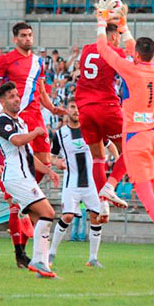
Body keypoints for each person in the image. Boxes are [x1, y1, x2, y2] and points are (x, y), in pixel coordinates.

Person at [96, 14, 154, 263]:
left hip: (136, 139)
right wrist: (124, 27)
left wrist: (102, 22)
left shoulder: (130, 69)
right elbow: (134, 49)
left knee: (144, 194)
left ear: (137, 55)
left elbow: (103, 48)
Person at [0, 82, 60, 278]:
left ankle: (42, 267)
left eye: (17, 95)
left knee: (42, 219)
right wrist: (36, 133)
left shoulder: (21, 122)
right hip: (16, 177)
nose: (16, 99)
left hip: (25, 176)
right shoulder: (2, 120)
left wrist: (48, 171)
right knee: (48, 212)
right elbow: (16, 141)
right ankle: (39, 261)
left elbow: (29, 155)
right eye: (11, 96)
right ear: (3, 101)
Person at [0, 22, 66, 185]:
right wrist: (0, 110)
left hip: (36, 116)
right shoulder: (5, 60)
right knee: (20, 158)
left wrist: (52, 108)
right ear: (15, 39)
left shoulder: (38, 62)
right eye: (23, 35)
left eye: (29, 35)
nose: (27, 38)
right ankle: (19, 199)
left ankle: (27, 194)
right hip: (18, 116)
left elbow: (42, 90)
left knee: (45, 161)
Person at [75, 18, 133, 221]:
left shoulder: (85, 50)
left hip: (84, 108)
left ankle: (103, 205)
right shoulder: (115, 52)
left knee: (98, 156)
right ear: (114, 36)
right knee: (130, 149)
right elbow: (130, 71)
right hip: (106, 107)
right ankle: (110, 186)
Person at [49, 99, 104, 268]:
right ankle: (51, 254)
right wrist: (56, 162)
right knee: (67, 216)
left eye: (79, 107)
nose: (76, 111)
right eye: (73, 107)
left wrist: (116, 157)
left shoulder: (90, 130)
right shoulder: (60, 134)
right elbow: (51, 156)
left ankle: (93, 258)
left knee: (96, 218)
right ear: (67, 110)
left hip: (90, 184)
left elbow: (107, 144)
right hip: (71, 183)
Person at [0, 109, 35, 268]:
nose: (16, 99)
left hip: (25, 169)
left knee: (28, 207)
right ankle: (20, 254)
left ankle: (22, 253)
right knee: (15, 206)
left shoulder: (20, 118)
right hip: (8, 170)